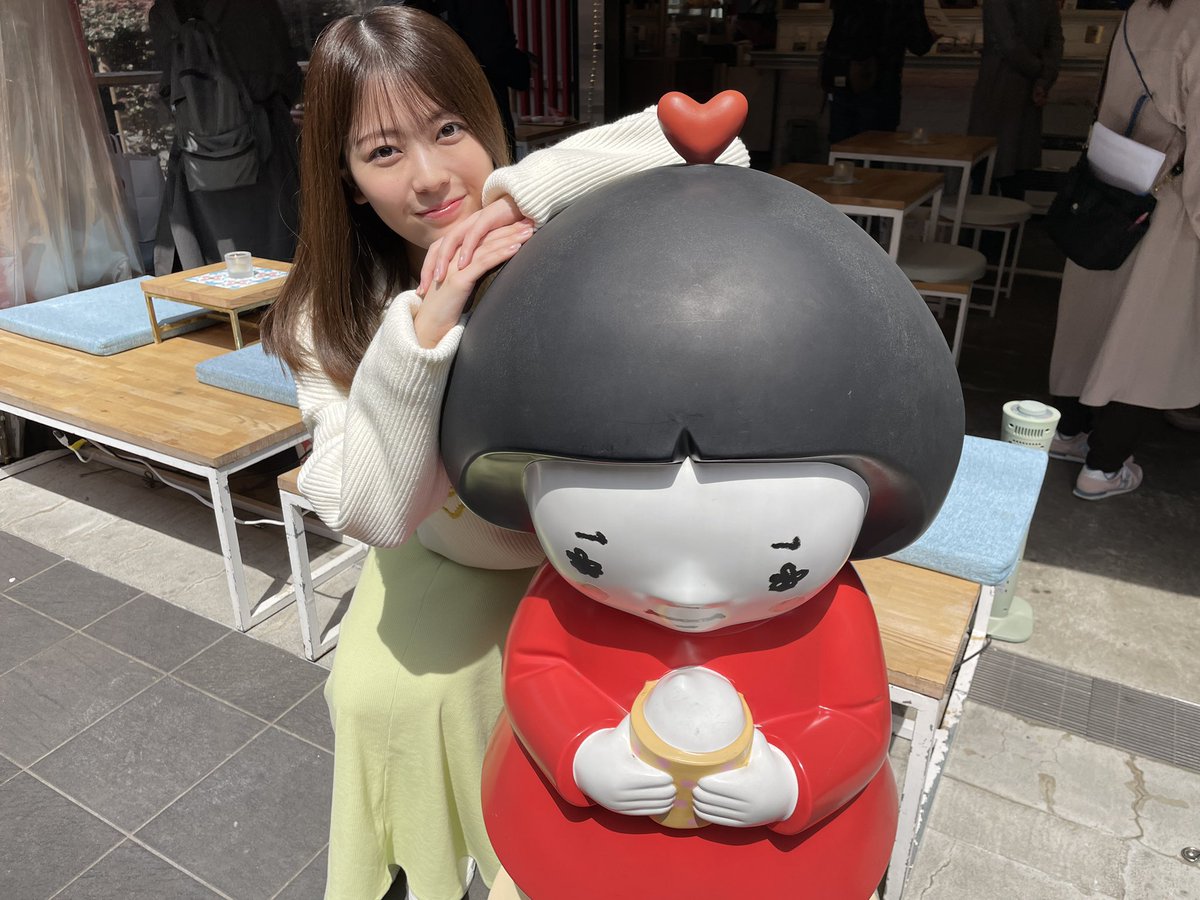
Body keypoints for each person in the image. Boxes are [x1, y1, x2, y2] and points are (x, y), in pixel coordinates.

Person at [259, 8, 748, 900]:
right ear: (346, 177)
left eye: (449, 128)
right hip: (446, 553)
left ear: (487, 121)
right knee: (376, 699)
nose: (430, 175)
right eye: (383, 151)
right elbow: (373, 510)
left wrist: (514, 198)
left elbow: (723, 150)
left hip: (603, 558)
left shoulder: (552, 229)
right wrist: (425, 324)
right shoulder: (324, 314)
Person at [1047, 0, 1199, 500]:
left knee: (1089, 324)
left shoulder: (1142, 9)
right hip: (1169, 202)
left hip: (1112, 187)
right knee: (1147, 344)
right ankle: (1103, 468)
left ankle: (1067, 432)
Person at [148, 0, 302, 273]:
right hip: (266, 144)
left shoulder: (163, 12)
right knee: (282, 247)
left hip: (195, 154)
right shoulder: (255, 6)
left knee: (213, 258)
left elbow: (169, 87)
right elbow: (288, 76)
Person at [966, 0, 1064, 198]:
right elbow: (1055, 42)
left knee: (988, 166)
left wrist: (1038, 71)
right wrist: (1044, 78)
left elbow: (1008, 44)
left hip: (998, 84)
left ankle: (986, 216)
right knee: (1016, 171)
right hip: (1028, 90)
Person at [824, 0, 937, 145]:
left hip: (843, 75)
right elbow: (919, 44)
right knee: (876, 143)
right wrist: (931, 37)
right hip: (882, 79)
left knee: (842, 141)